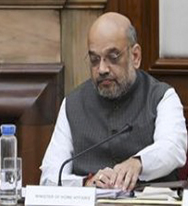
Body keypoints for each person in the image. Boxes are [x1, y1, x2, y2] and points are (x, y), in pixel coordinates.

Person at [40, 12, 187, 190]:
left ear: (135, 56)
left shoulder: (162, 97)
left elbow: (173, 149)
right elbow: (49, 176)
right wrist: (85, 183)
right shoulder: (73, 104)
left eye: (113, 57)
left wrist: (137, 163)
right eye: (94, 60)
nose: (102, 69)